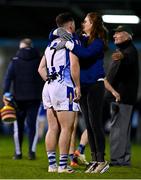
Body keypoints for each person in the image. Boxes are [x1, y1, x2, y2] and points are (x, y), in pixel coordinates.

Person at [55, 12, 110, 173]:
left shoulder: (98, 42)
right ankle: (94, 159)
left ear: (93, 23)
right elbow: (74, 41)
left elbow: (84, 54)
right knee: (89, 125)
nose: (83, 23)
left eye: (86, 21)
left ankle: (102, 160)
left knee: (95, 124)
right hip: (84, 87)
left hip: (95, 86)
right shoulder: (84, 39)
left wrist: (69, 44)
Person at [38, 12, 81, 173]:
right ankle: (63, 166)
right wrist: (77, 86)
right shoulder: (72, 40)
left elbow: (40, 68)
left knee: (52, 127)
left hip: (48, 86)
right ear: (70, 25)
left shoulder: (50, 44)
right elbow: (75, 65)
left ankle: (52, 165)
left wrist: (50, 81)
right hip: (63, 86)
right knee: (66, 128)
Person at [104, 25, 139, 166]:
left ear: (128, 36)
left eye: (118, 33)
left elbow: (127, 58)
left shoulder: (128, 51)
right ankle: (124, 159)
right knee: (123, 128)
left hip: (120, 96)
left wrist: (121, 56)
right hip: (126, 96)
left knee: (118, 129)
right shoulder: (128, 50)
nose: (114, 36)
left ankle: (117, 160)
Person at [3, 38, 43, 160]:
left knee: (18, 127)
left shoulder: (14, 61)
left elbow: (7, 79)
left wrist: (6, 93)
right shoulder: (40, 60)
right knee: (32, 126)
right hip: (35, 98)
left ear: (21, 47)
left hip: (18, 99)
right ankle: (31, 152)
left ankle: (18, 153)